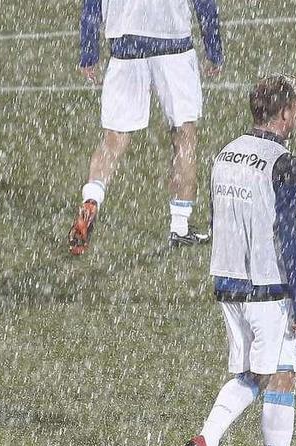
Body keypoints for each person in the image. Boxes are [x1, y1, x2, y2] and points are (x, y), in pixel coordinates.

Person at [185, 75, 296, 446]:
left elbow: (216, 216)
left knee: (261, 374)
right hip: (269, 288)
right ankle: (209, 443)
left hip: (228, 282)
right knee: (276, 376)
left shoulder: (225, 155)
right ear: (283, 114)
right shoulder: (285, 164)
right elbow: (293, 240)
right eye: (294, 108)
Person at [68, 0, 223, 255]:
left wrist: (89, 52)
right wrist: (214, 50)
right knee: (184, 137)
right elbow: (205, 5)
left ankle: (92, 200)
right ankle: (180, 225)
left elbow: (92, 8)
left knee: (113, 141)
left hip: (125, 46)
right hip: (173, 44)